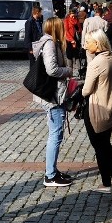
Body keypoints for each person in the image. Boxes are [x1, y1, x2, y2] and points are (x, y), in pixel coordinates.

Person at [31, 17, 73, 187]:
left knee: (56, 133)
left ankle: (52, 170)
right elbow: (52, 69)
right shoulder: (49, 44)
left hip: (53, 94)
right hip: (53, 96)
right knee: (55, 134)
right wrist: (68, 71)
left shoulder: (49, 43)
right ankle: (50, 175)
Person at [82, 29, 112, 192]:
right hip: (110, 106)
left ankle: (106, 183)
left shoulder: (96, 63)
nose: (85, 45)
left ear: (96, 44)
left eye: (88, 42)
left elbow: (86, 90)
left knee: (99, 146)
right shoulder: (110, 57)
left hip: (97, 108)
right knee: (106, 143)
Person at [24, 4, 43, 69]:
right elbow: (28, 36)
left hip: (38, 45)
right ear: (37, 12)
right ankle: (32, 77)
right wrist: (30, 48)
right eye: (40, 12)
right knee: (33, 64)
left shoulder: (39, 21)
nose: (41, 14)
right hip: (33, 45)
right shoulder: (29, 22)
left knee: (38, 63)